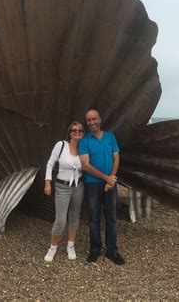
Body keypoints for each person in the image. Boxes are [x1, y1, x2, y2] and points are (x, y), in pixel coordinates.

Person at [79, 109, 125, 265]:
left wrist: (111, 180)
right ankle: (95, 250)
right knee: (93, 219)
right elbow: (85, 165)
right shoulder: (84, 141)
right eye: (89, 120)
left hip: (109, 184)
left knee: (112, 218)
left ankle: (112, 251)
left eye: (94, 119)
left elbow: (116, 157)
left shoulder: (110, 137)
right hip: (92, 185)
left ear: (99, 119)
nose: (92, 122)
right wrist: (107, 178)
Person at [43, 122, 85, 262]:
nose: (77, 132)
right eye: (74, 130)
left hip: (78, 186)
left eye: (80, 130)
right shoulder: (61, 145)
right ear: (70, 132)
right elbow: (50, 163)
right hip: (62, 187)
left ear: (83, 133)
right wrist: (47, 182)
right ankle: (53, 247)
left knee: (74, 217)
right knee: (60, 220)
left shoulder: (83, 148)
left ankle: (70, 246)